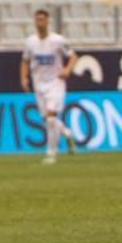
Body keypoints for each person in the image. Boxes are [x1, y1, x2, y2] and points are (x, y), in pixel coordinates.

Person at [21, 9, 75, 164]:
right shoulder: (30, 42)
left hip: (55, 83)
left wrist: (67, 69)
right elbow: (25, 61)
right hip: (39, 84)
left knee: (51, 118)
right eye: (37, 20)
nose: (40, 23)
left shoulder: (58, 40)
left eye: (43, 19)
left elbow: (73, 56)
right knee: (47, 119)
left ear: (48, 21)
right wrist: (24, 78)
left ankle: (51, 153)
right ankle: (67, 133)